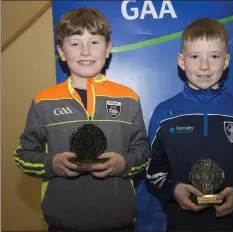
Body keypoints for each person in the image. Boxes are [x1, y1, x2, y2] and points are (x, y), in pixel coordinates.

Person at [14, 7, 150, 232]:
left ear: (108, 49)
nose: (85, 51)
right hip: (62, 225)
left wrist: (124, 164)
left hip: (118, 224)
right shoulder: (43, 100)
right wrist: (52, 163)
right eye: (75, 43)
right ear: (62, 52)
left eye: (94, 42)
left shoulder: (128, 98)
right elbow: (22, 156)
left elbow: (143, 152)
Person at [145, 18, 233, 231]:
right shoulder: (163, 113)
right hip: (181, 224)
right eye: (195, 56)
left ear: (225, 61)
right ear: (182, 61)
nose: (204, 66)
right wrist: (173, 189)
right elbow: (152, 169)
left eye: (213, 56)